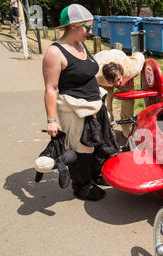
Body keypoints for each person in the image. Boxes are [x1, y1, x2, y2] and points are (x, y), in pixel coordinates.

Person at [42, 4, 107, 201]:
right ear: (73, 26)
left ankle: (94, 174)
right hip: (73, 108)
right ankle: (81, 186)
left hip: (92, 105)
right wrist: (52, 120)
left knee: (95, 143)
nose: (90, 31)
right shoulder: (55, 53)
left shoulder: (81, 44)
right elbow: (50, 89)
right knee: (81, 148)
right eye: (87, 27)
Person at [94, 49, 144, 139]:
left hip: (118, 58)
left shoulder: (131, 69)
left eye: (118, 79)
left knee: (129, 99)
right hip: (101, 61)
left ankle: (127, 129)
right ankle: (107, 130)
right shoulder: (97, 76)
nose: (117, 84)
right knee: (105, 105)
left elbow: (140, 55)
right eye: (113, 82)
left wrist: (132, 77)